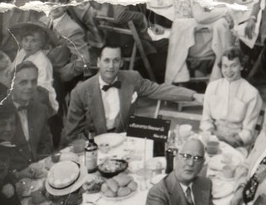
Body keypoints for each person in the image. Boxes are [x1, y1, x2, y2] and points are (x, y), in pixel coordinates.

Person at [63, 44, 199, 138]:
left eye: (116, 60)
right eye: (106, 61)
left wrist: (194, 95)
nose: (111, 66)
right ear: (98, 62)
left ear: (121, 63)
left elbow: (158, 90)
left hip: (126, 134)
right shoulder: (80, 92)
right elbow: (73, 134)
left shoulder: (132, 78)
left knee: (165, 133)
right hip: (97, 141)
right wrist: (93, 146)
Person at [200, 48, 262, 147]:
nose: (228, 71)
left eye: (233, 66)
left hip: (238, 143)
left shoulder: (252, 93)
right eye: (225, 66)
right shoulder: (212, 87)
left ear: (241, 66)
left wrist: (231, 141)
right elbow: (206, 121)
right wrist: (219, 137)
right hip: (213, 138)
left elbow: (248, 131)